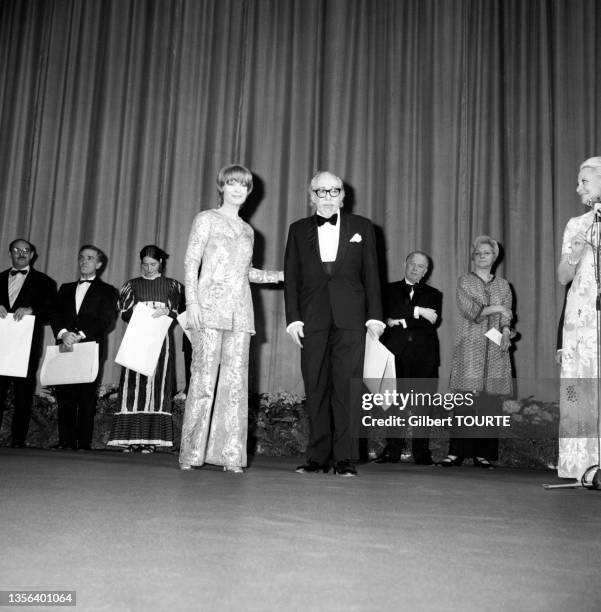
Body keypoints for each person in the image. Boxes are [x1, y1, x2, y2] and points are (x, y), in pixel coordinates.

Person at [179, 164, 283, 473]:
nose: (238, 189)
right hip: (209, 309)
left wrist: (282, 275)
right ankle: (191, 454)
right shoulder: (206, 219)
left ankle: (230, 456)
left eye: (244, 185)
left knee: (236, 386)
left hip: (241, 313)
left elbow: (246, 272)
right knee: (202, 381)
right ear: (222, 186)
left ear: (250, 191)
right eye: (232, 183)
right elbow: (191, 261)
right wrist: (192, 301)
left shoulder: (249, 230)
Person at [284, 170, 384, 477]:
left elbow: (372, 274)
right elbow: (292, 276)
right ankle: (317, 458)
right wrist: (293, 319)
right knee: (316, 387)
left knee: (347, 390)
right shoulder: (298, 229)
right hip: (312, 319)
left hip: (351, 319)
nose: (328, 197)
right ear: (311, 196)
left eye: (333, 191)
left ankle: (345, 459)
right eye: (321, 191)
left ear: (343, 195)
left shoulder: (363, 227)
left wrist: (376, 316)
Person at [440, 235, 514, 469]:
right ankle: (456, 453)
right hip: (469, 348)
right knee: (465, 401)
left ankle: (483, 454)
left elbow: (507, 315)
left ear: (495, 257)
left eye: (487, 253)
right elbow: (471, 311)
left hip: (495, 351)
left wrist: (505, 331)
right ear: (473, 257)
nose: (482, 257)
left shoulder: (503, 285)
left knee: (489, 403)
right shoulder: (465, 281)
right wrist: (498, 308)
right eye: (478, 253)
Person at [107, 245, 184, 453]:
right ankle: (130, 439)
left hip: (160, 341)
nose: (148, 268)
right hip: (136, 338)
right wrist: (143, 311)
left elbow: (179, 310)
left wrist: (168, 310)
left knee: (158, 387)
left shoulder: (173, 286)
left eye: (153, 264)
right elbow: (124, 312)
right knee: (132, 386)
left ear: (161, 263)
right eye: (145, 264)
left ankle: (151, 439)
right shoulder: (131, 285)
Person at [557, 156, 601, 481]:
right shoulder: (575, 223)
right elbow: (562, 277)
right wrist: (574, 250)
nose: (577, 188)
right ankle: (582, 466)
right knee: (578, 388)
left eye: (584, 181)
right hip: (580, 320)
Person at [375, 251, 442, 465]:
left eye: (421, 266)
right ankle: (392, 451)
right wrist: (419, 311)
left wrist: (401, 321)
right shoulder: (388, 289)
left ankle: (422, 453)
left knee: (423, 405)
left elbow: (430, 322)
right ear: (405, 264)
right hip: (396, 354)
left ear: (426, 271)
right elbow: (390, 309)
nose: (415, 268)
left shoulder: (434, 293)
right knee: (396, 405)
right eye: (412, 263)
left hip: (425, 356)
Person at [50, 245, 117, 450]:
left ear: (98, 264)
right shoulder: (66, 288)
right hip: (65, 344)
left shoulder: (108, 291)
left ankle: (84, 443)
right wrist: (63, 334)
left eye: (89, 258)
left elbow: (106, 319)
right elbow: (56, 315)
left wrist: (78, 335)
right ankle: (65, 441)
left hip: (89, 345)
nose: (84, 261)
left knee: (87, 396)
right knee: (65, 395)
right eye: (81, 257)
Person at [0, 239, 57, 447]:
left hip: (26, 347)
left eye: (26, 250)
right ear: (10, 253)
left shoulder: (45, 282)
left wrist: (32, 310)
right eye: (17, 250)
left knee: (23, 396)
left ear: (32, 255)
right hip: (0, 346)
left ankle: (17, 441)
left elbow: (52, 312)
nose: (21, 253)